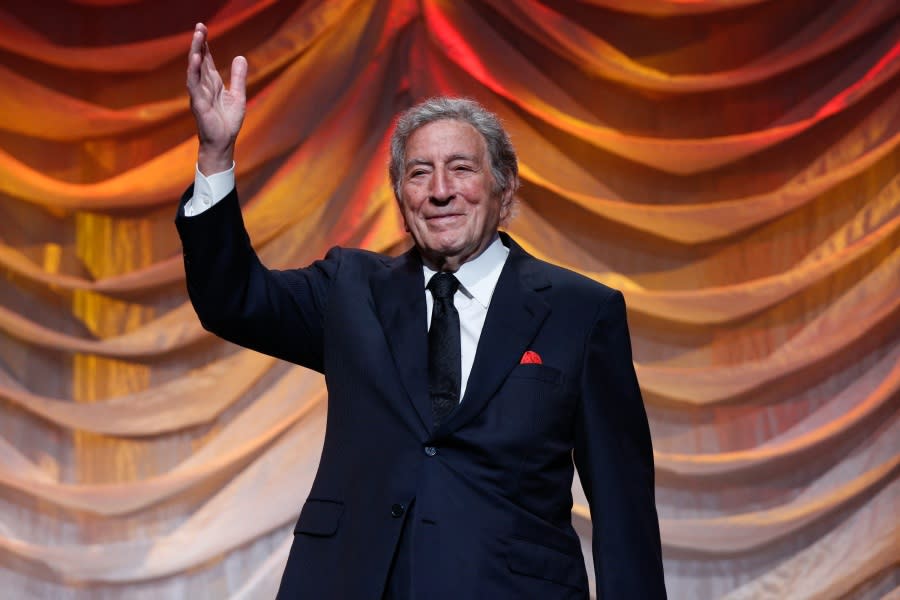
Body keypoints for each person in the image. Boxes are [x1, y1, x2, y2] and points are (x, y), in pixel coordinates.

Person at [177, 22, 666, 600]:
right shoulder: (350, 288)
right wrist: (216, 154)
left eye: (461, 168)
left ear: (505, 189)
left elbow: (622, 504)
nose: (440, 190)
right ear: (401, 199)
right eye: (418, 173)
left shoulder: (582, 311)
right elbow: (233, 300)